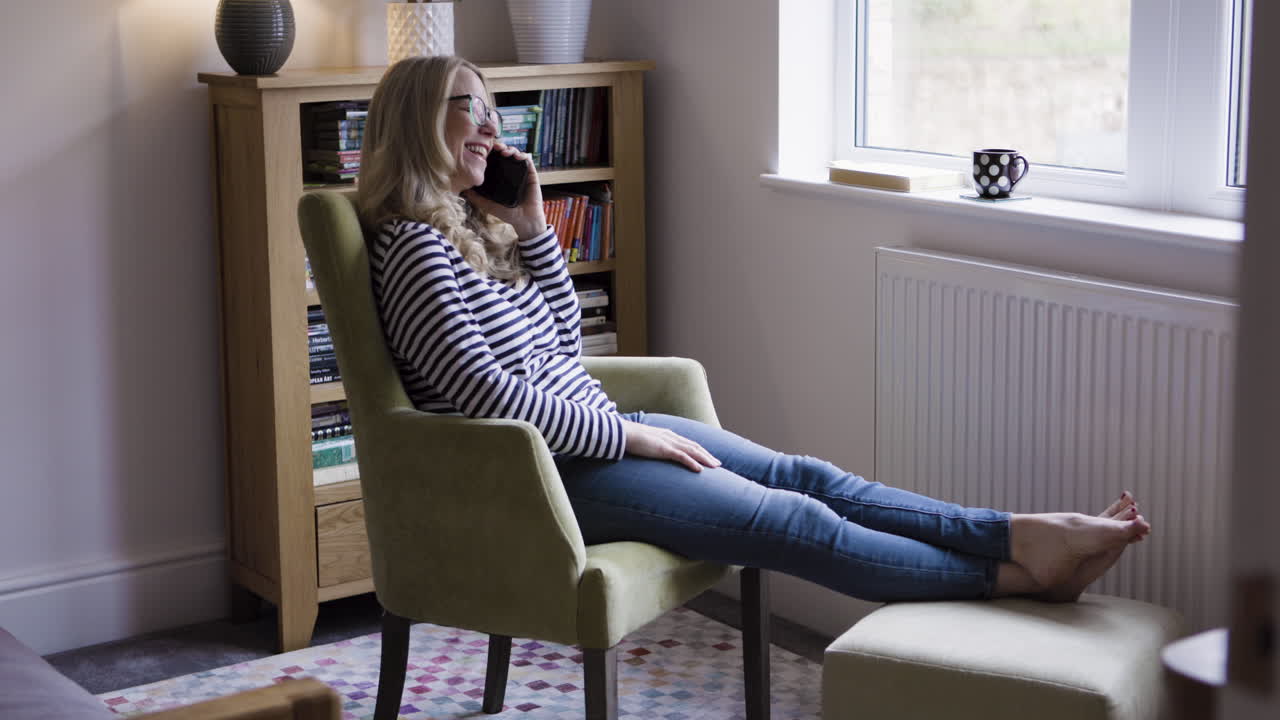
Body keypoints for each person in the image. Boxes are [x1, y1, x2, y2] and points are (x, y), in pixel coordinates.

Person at [355, 55, 1150, 605]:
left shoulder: (477, 228)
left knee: (811, 478)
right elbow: (484, 394)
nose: (492, 129)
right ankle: (1016, 577)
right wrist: (630, 441)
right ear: (420, 118)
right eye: (471, 109)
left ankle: (1012, 532)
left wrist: (531, 227)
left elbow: (564, 347)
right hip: (542, 478)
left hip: (594, 437)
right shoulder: (413, 245)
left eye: (493, 111)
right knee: (793, 520)